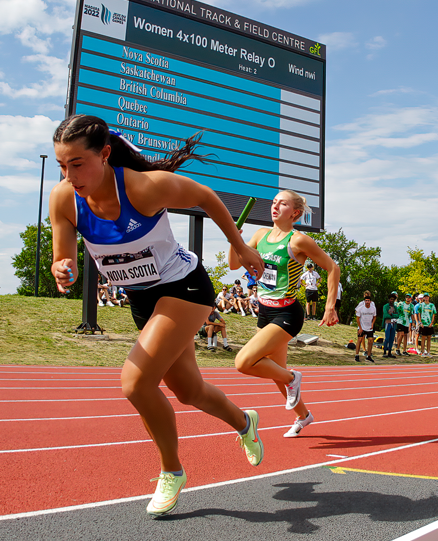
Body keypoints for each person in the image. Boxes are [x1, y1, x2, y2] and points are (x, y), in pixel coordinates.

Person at [46, 114, 264, 516]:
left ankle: (171, 470)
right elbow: (66, 260)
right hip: (143, 298)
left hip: (185, 286)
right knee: (188, 390)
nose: (69, 175)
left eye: (77, 164)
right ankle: (244, 422)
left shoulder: (145, 187)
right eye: (62, 165)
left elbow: (205, 196)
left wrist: (242, 246)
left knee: (135, 383)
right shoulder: (63, 199)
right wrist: (64, 270)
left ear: (105, 154)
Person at [235, 190, 340, 439]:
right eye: (273, 202)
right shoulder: (261, 235)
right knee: (275, 373)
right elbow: (234, 263)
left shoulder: (298, 241)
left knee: (243, 362)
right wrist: (234, 239)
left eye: (282, 203)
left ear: (294, 213)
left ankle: (294, 377)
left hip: (288, 313)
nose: (274, 206)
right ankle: (304, 416)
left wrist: (329, 305)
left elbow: (332, 267)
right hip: (265, 310)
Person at [353, 292, 377, 361]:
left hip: (369, 327)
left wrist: (372, 324)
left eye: (368, 300)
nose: (367, 302)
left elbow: (375, 316)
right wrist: (360, 327)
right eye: (366, 300)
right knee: (360, 339)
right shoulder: (361, 306)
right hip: (362, 326)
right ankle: (357, 355)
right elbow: (357, 318)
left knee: (370, 340)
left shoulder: (373, 307)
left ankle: (369, 355)